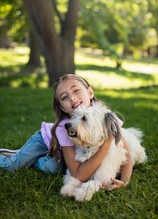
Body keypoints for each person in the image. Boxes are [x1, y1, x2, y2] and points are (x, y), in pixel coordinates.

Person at [0, 74, 133, 190]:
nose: (72, 98)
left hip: (60, 156)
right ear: (62, 108)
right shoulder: (64, 127)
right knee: (13, 165)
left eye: (76, 91)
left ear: (90, 92)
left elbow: (126, 153)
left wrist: (124, 181)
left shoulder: (106, 117)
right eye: (64, 97)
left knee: (52, 168)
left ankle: (30, 157)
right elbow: (78, 174)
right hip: (45, 140)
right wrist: (106, 144)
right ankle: (21, 155)